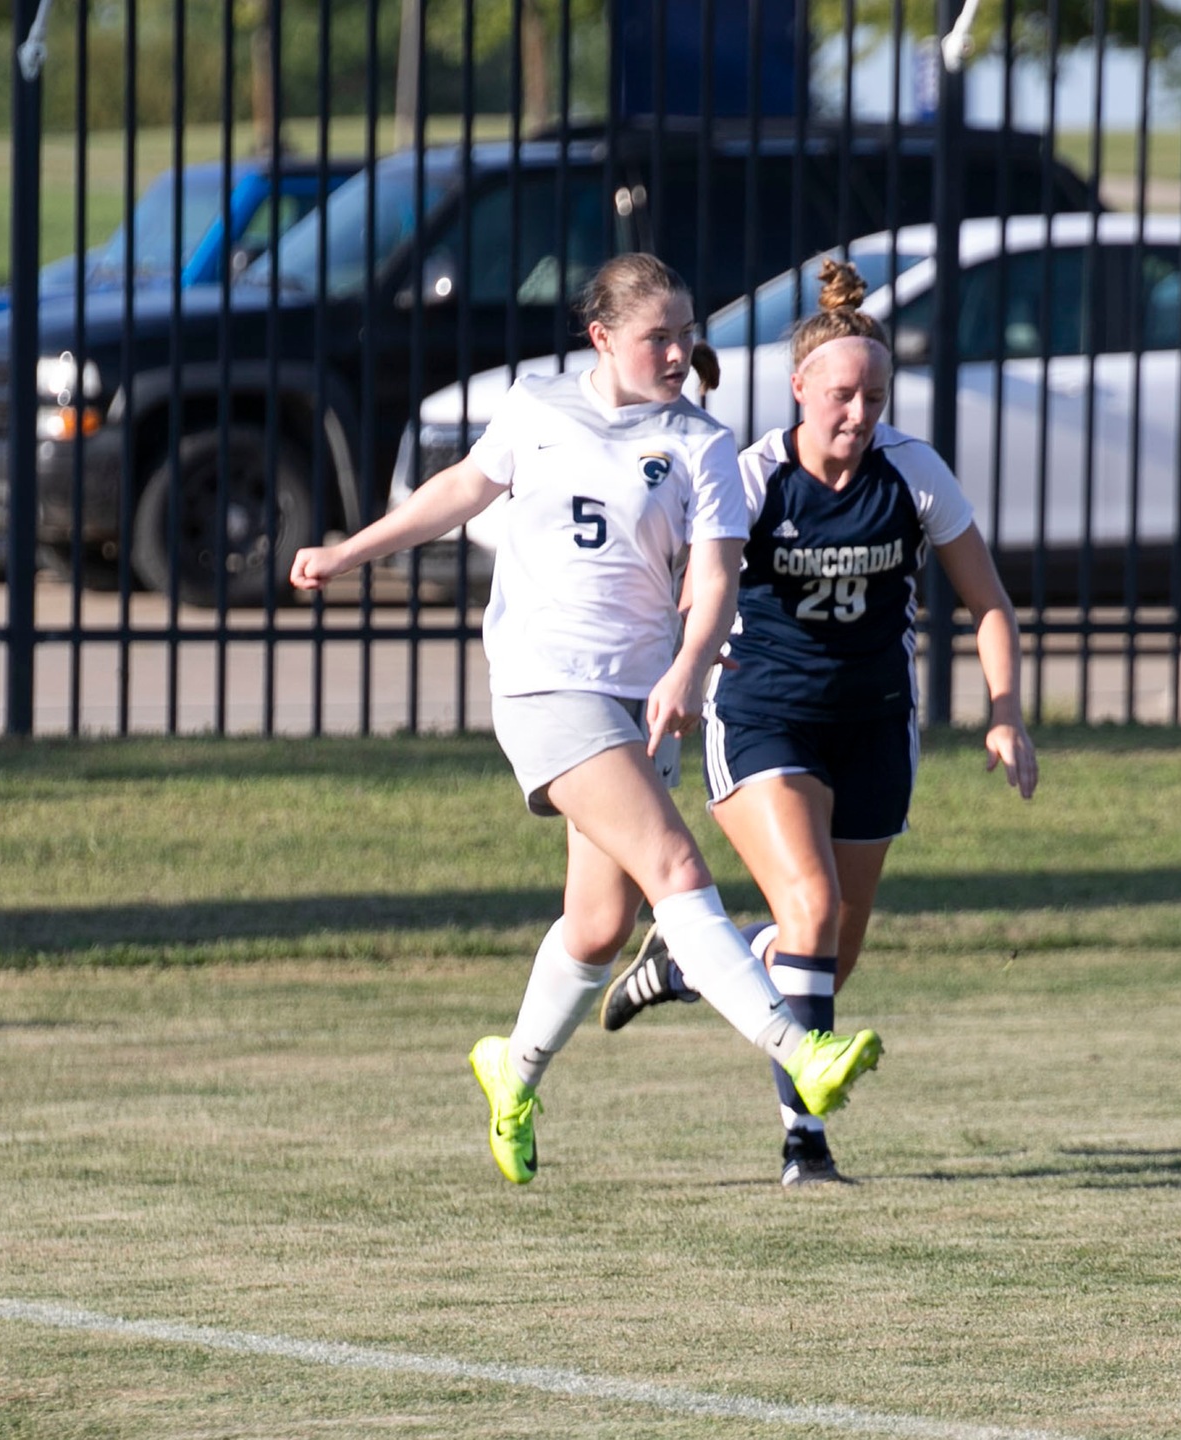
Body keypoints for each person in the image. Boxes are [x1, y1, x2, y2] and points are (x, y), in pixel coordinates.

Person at [289, 253, 882, 1186]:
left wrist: (689, 665)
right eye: (660, 337)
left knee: (600, 926)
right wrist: (350, 552)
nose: (681, 351)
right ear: (602, 339)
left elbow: (717, 575)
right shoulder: (535, 407)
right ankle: (797, 1049)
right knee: (678, 866)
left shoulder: (702, 443)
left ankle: (511, 1071)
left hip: (638, 696)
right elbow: (457, 493)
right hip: (544, 682)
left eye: (689, 333)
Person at [599, 257, 1037, 1186]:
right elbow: (699, 591)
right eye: (841, 394)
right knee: (808, 908)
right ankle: (806, 1142)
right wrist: (683, 669)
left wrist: (1006, 715)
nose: (859, 412)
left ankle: (691, 964)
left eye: (875, 395)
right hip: (763, 717)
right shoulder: (754, 478)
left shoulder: (912, 473)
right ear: (799, 387)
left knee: (829, 955)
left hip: (875, 722)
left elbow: (988, 603)